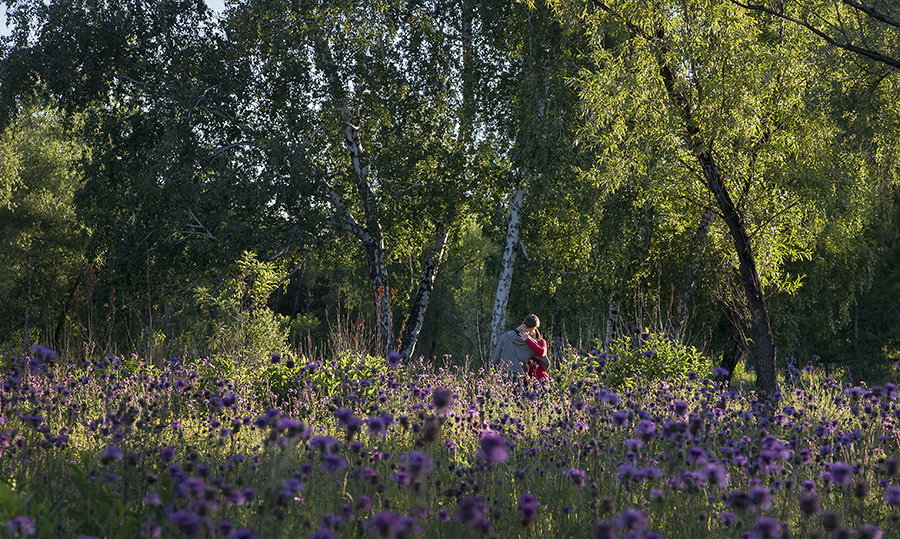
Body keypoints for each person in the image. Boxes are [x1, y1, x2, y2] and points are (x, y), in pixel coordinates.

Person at [492, 314, 549, 378]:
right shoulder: (530, 343)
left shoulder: (506, 337)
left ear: (523, 323)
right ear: (533, 328)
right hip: (518, 376)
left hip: (503, 374)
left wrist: (494, 371)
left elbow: (496, 357)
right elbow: (545, 362)